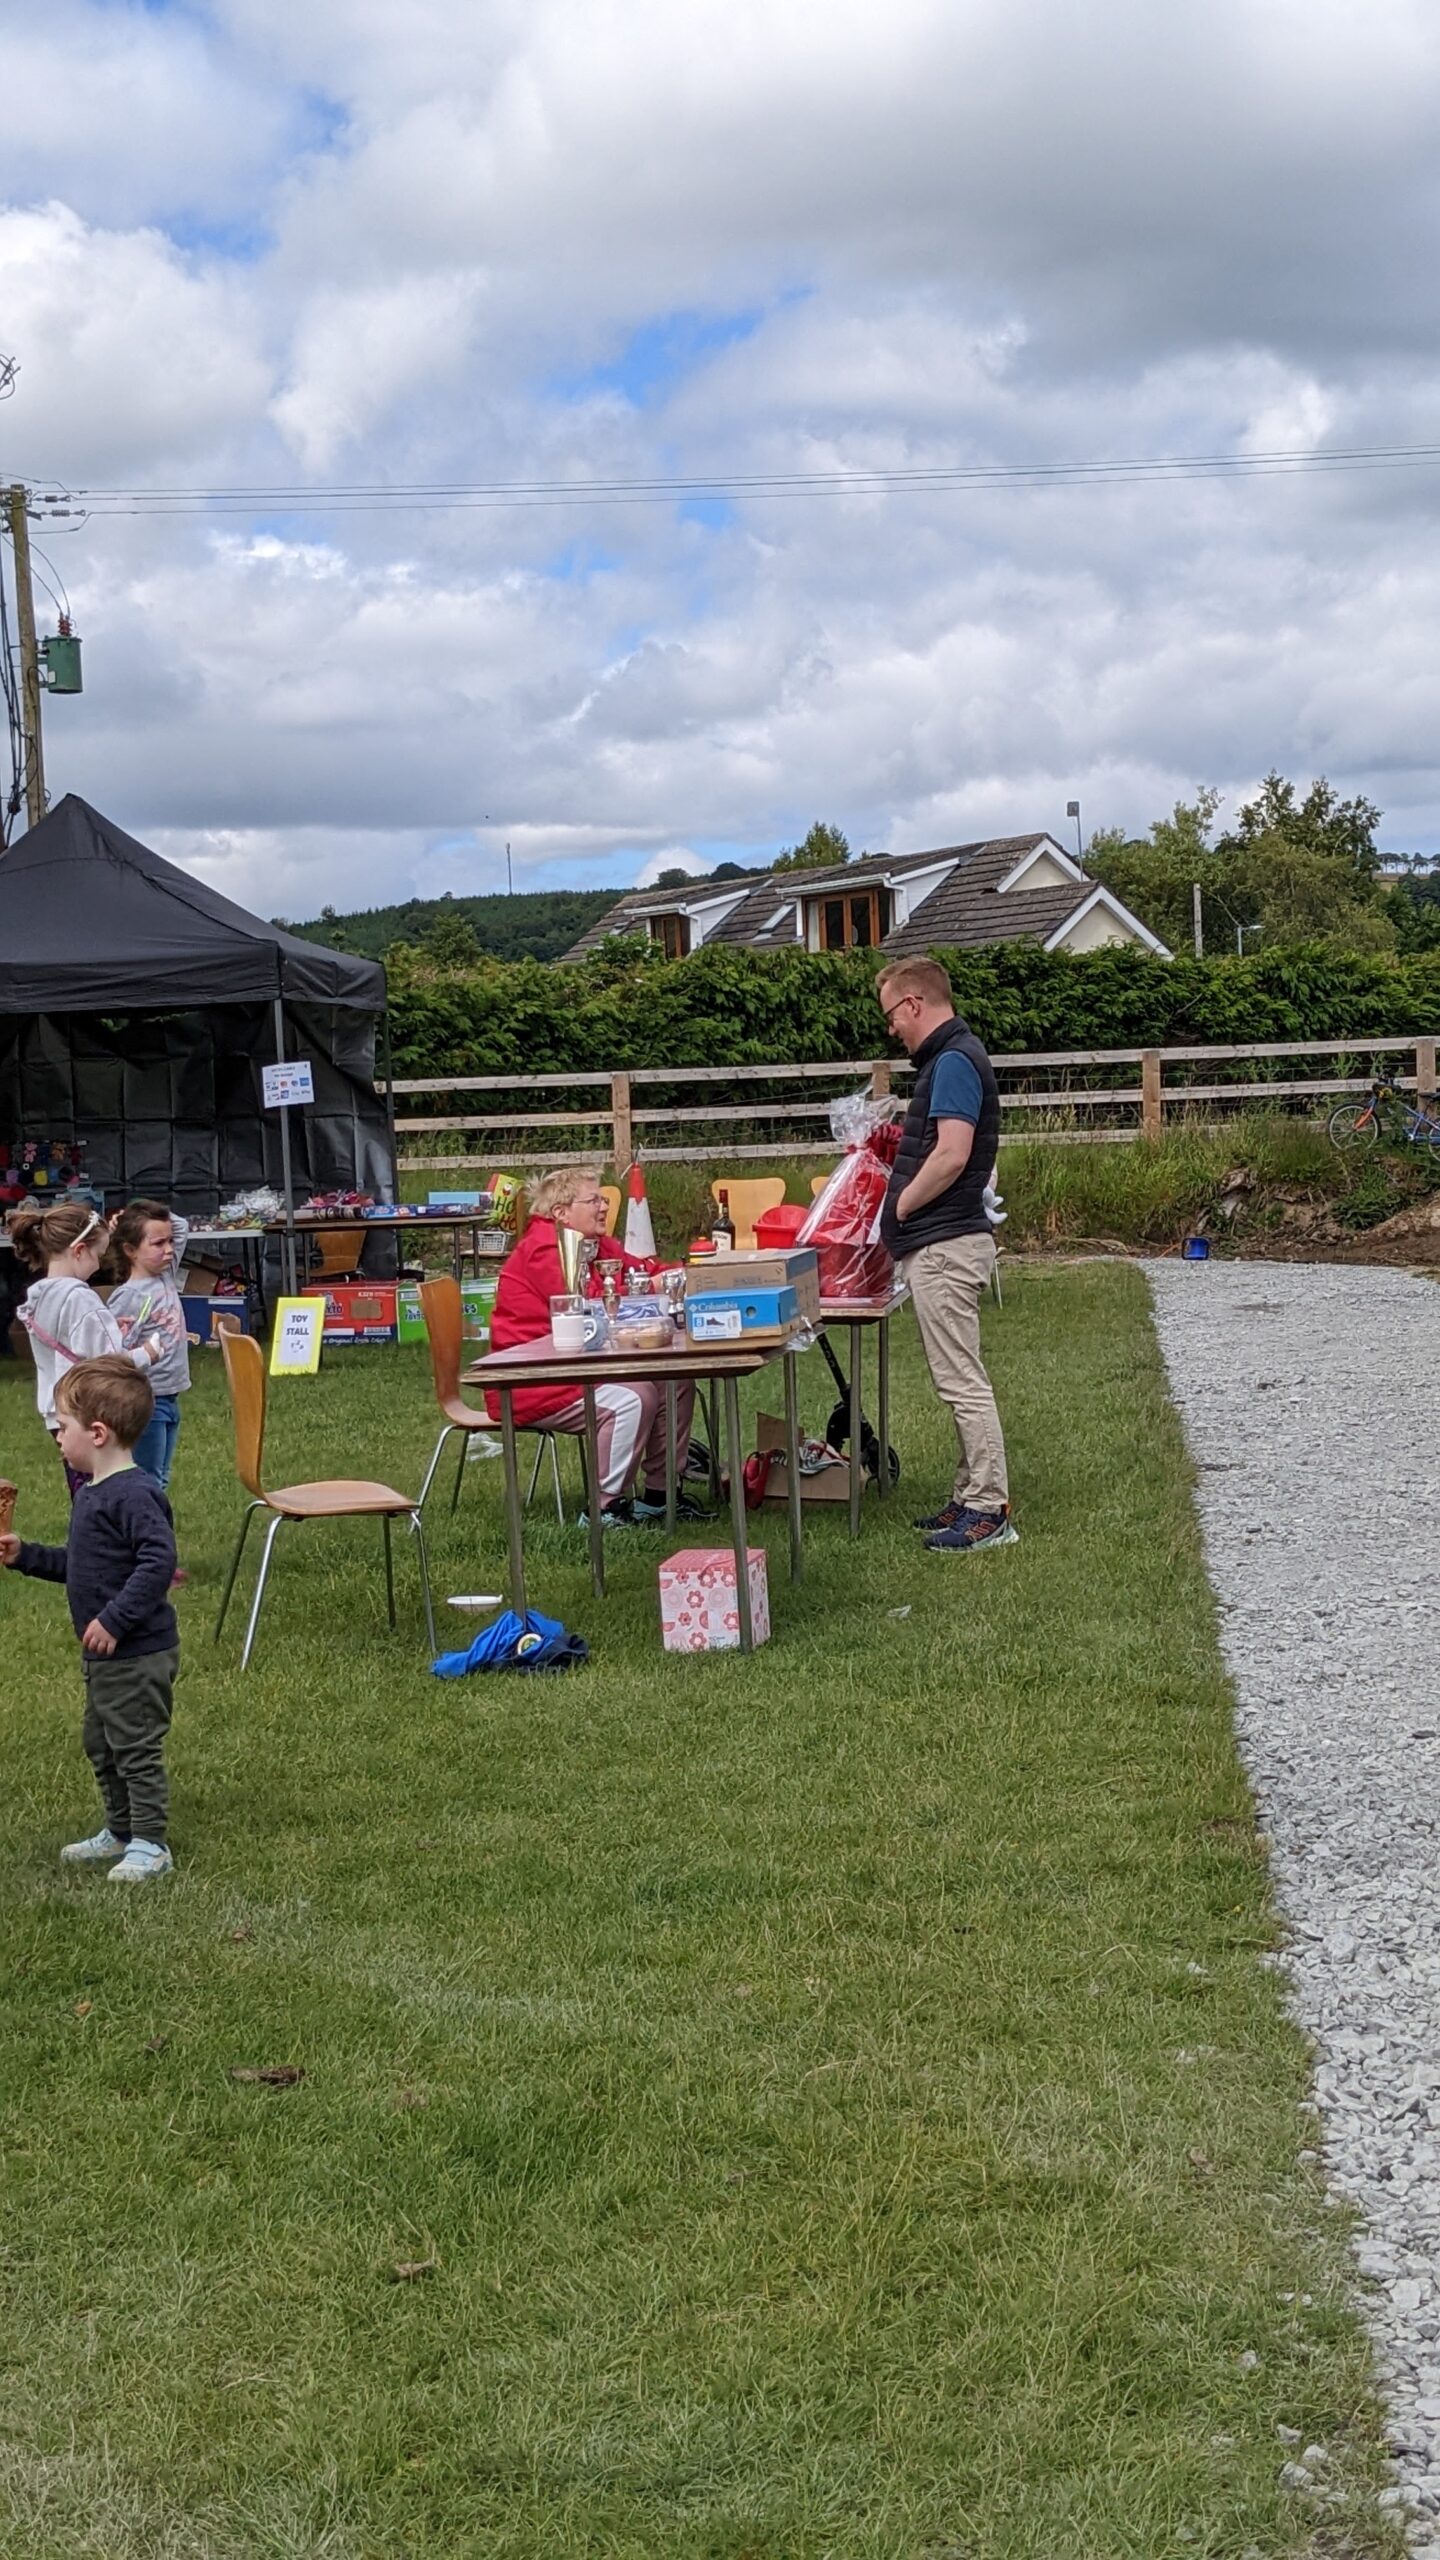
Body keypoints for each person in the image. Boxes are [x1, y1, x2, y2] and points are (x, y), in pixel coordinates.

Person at [0, 1355, 179, 1882]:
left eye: (63, 1425)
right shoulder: (93, 1493)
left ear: (97, 1433)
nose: (57, 1435)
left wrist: (116, 1620)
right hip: (105, 1654)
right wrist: (26, 1555)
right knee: (102, 1744)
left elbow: (158, 1562)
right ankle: (120, 1831)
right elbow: (84, 1567)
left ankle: (151, 1843)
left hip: (137, 1652)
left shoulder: (135, 1493)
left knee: (135, 1747)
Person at [876, 956, 1017, 1555]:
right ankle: (967, 1495)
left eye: (891, 1015)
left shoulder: (954, 1060)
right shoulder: (952, 1057)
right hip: (946, 1240)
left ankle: (988, 1509)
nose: (891, 1029)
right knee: (956, 1375)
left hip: (944, 1245)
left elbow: (953, 1154)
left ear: (913, 1004)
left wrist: (902, 1205)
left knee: (962, 1381)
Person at [488, 1166, 707, 1526]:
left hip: (579, 1366)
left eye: (603, 1199)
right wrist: (649, 1288)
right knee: (634, 1398)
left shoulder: (594, 1243)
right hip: (534, 1379)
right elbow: (591, 1306)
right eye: (593, 1201)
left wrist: (679, 1272)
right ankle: (604, 1507)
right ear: (561, 1212)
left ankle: (660, 1496)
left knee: (676, 1380)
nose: (604, 1206)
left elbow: (640, 1271)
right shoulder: (544, 1250)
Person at [11, 1203, 164, 1498]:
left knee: (82, 1488)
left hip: (59, 1412)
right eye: (98, 1255)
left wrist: (107, 1326)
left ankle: (87, 1524)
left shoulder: (41, 1296)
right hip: (91, 1409)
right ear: (79, 1250)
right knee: (106, 1488)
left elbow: (68, 1341)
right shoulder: (81, 1298)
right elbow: (111, 1362)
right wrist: (148, 1352)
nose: (98, 1265)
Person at [105, 1199, 192, 1497]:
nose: (168, 1249)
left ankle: (153, 1521)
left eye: (170, 1242)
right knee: (148, 1478)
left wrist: (133, 1210)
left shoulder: (165, 1275)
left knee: (161, 1477)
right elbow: (114, 1354)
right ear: (130, 1250)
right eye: (157, 1243)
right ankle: (143, 1522)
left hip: (169, 1397)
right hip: (146, 1401)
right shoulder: (129, 1296)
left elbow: (181, 1225)